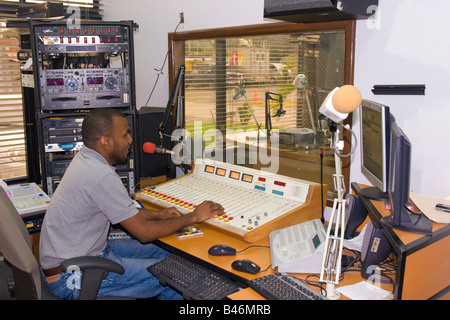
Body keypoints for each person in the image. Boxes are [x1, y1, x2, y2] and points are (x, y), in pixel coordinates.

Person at [39, 108, 224, 299]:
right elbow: (144, 233)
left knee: (169, 251)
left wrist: (159, 214)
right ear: (106, 141)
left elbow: (121, 212)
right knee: (180, 276)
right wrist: (194, 216)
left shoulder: (86, 159)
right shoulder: (100, 175)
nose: (130, 140)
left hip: (84, 255)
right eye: (125, 133)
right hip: (73, 276)